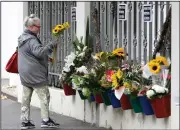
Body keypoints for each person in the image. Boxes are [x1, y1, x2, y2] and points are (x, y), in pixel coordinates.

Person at [18, 14, 60, 129]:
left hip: (25, 74)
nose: (39, 29)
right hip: (35, 74)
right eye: (38, 26)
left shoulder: (22, 37)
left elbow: (30, 54)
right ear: (31, 27)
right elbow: (39, 52)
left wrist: (47, 58)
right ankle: (45, 120)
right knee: (44, 96)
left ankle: (25, 121)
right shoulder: (31, 40)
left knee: (26, 98)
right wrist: (51, 45)